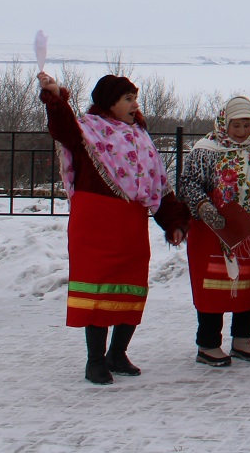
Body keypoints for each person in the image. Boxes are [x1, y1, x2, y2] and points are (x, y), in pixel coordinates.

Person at [37, 72, 189, 385]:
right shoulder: (88, 130)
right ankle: (95, 361)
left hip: (130, 224)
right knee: (98, 289)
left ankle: (117, 353)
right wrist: (55, 98)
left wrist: (174, 221)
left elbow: (158, 184)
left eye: (135, 98)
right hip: (96, 223)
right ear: (110, 102)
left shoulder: (140, 137)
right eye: (128, 99)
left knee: (131, 287)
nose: (135, 105)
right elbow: (62, 128)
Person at [178, 96, 250, 367]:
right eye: (236, 125)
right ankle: (208, 344)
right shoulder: (206, 150)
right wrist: (204, 207)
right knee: (214, 288)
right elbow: (189, 183)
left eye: (247, 125)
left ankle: (243, 338)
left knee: (247, 286)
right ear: (224, 123)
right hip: (213, 231)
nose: (242, 131)